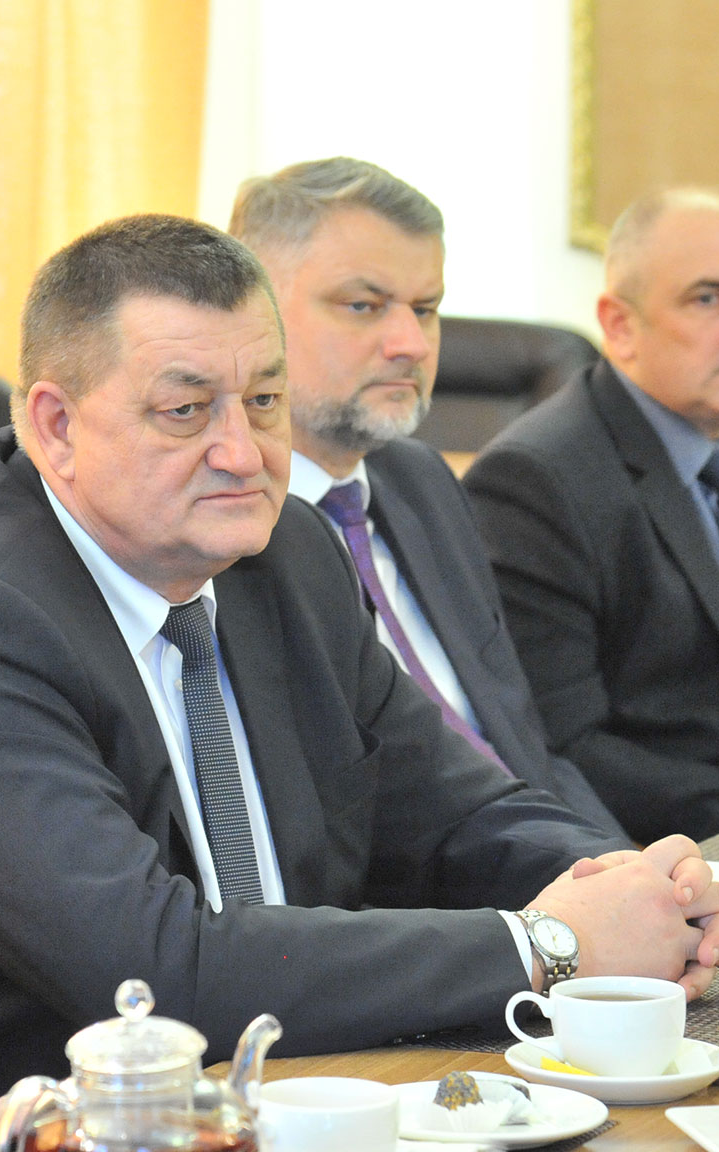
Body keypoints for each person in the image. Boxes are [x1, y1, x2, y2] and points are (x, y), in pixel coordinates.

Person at [0, 214, 719, 1110]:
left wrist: (636, 889)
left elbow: (456, 812)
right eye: (186, 411)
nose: (244, 451)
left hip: (313, 1089)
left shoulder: (284, 553)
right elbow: (152, 976)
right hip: (49, 1117)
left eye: (265, 400)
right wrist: (549, 945)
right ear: (56, 425)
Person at [464, 188, 719, 844]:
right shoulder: (538, 481)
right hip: (704, 849)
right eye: (709, 299)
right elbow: (564, 748)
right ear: (619, 325)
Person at [229, 156, 625, 837]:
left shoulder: (422, 483)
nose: (411, 344)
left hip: (547, 861)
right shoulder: (224, 528)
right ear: (252, 315)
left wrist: (623, 860)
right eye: (364, 306)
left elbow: (522, 746)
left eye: (425, 309)